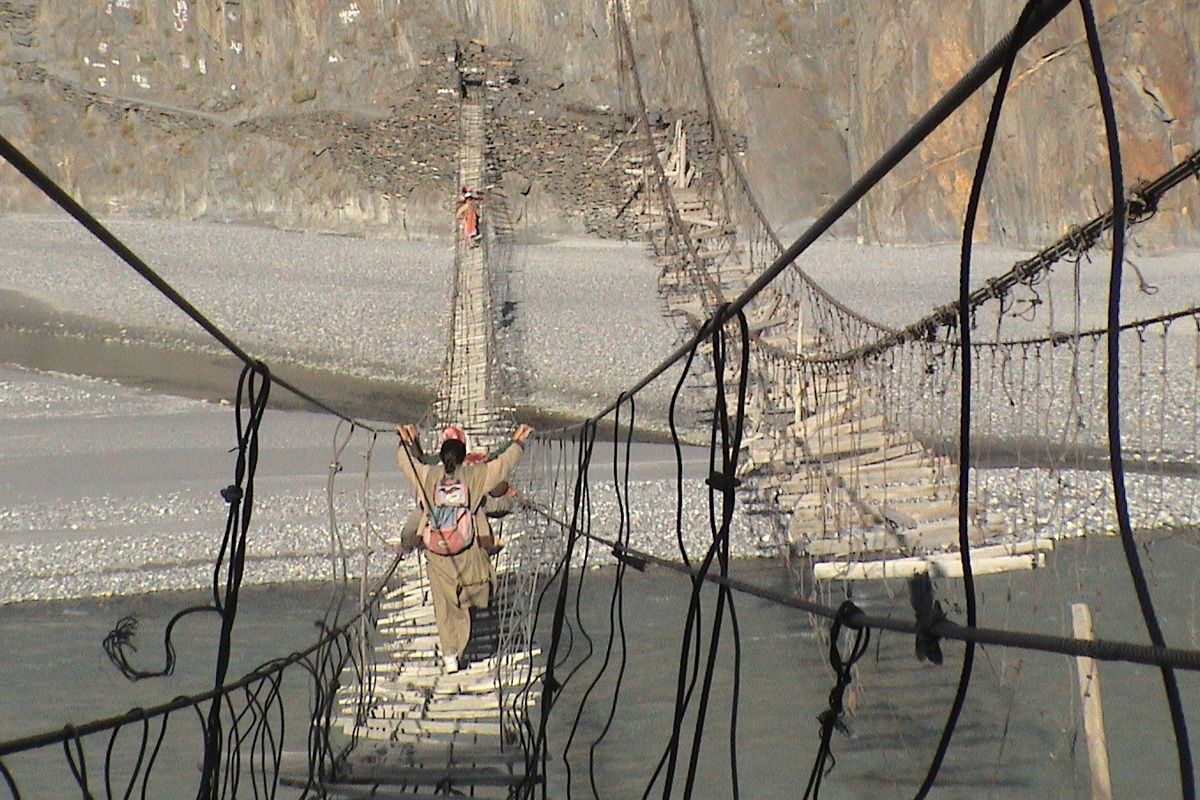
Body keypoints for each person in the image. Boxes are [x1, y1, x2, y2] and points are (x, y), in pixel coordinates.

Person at [396, 422, 533, 673]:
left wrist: (404, 441)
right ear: (463, 455)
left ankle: (450, 654)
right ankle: (462, 637)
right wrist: (518, 443)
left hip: (436, 550)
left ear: (441, 456)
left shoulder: (428, 475)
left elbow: (406, 463)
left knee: (443, 603)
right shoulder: (475, 475)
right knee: (468, 593)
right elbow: (502, 465)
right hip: (465, 548)